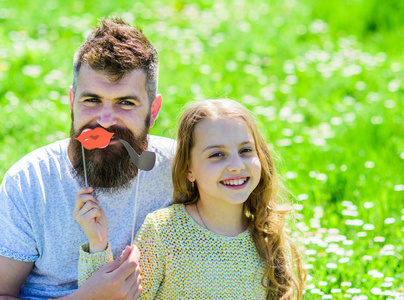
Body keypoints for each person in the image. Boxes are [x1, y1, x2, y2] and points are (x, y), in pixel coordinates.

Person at [0, 17, 176, 299]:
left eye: (126, 103)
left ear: (153, 111)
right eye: (91, 100)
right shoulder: (30, 182)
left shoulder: (181, 169)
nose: (105, 121)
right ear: (72, 103)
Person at [76, 99, 307, 299]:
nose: (236, 166)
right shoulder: (164, 231)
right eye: (217, 155)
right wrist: (97, 244)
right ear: (189, 170)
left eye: (246, 150)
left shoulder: (269, 235)